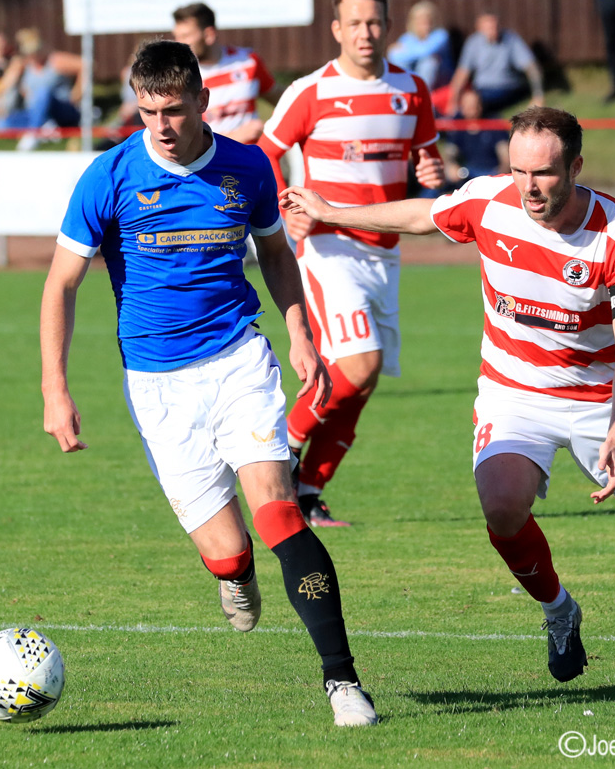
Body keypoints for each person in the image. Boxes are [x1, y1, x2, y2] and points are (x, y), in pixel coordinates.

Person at [280, 106, 615, 690]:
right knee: (503, 509)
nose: (529, 186)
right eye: (519, 170)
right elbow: (422, 214)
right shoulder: (490, 200)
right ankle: (559, 611)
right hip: (513, 393)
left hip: (600, 397)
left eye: (546, 173)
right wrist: (331, 212)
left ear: (577, 166)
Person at [40, 39, 378, 727]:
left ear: (201, 101)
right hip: (158, 387)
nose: (159, 124)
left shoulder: (245, 166)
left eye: (171, 108)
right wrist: (56, 389)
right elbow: (61, 285)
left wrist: (299, 332)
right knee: (227, 554)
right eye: (146, 110)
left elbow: (277, 252)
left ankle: (342, 682)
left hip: (237, 362)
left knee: (278, 510)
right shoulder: (108, 176)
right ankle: (237, 575)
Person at [258, 0, 444, 527]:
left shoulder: (411, 90)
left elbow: (426, 162)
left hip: (385, 251)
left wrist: (433, 173)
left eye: (375, 22)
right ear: (337, 29)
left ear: (387, 27)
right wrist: (284, 207)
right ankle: (282, 454)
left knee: (359, 382)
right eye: (355, 23)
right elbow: (264, 156)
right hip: (327, 246)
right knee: (359, 364)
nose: (366, 32)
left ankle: (310, 492)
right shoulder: (309, 91)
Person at [173, 2, 279, 144]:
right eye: (177, 37)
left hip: (253, 158)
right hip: (211, 163)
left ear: (209, 35)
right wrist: (236, 137)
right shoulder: (179, 76)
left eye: (185, 36)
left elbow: (279, 97)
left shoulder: (248, 61)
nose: (179, 43)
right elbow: (185, 140)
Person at [0, 27, 85, 151]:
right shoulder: (23, 64)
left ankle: (33, 134)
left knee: (43, 92)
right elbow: (4, 86)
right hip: (36, 112)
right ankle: (45, 129)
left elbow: (85, 65)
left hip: (61, 110)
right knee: (2, 123)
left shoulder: (55, 60)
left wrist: (77, 92)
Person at [445, 13, 544, 119]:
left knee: (473, 103)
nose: (494, 30)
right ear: (479, 28)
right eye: (489, 28)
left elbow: (531, 67)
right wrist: (453, 100)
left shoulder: (510, 40)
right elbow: (462, 72)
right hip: (480, 89)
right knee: (464, 101)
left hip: (506, 88)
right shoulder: (473, 43)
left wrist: (538, 95)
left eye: (495, 26)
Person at [387, 0, 454, 92]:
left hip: (440, 81)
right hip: (414, 76)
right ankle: (404, 91)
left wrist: (405, 51)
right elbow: (394, 56)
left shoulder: (441, 35)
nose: (425, 21)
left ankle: (422, 92)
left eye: (428, 18)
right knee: (402, 64)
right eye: (420, 19)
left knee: (429, 62)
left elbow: (426, 51)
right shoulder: (408, 37)